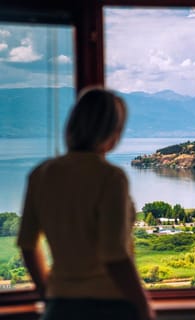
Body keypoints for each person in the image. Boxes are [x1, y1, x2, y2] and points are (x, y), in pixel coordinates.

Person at [16, 87, 155, 320]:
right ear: (112, 132)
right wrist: (143, 306)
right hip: (110, 305)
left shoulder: (41, 174)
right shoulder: (110, 177)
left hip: (59, 307)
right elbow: (114, 255)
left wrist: (48, 295)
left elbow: (28, 245)